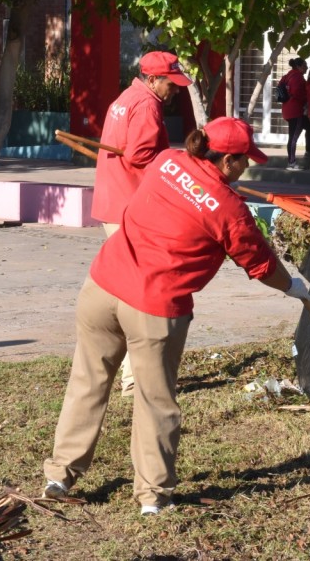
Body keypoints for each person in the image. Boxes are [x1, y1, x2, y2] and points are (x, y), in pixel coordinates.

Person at [43, 117, 310, 514]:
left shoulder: (167, 162)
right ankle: (152, 497)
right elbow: (258, 263)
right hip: (153, 307)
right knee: (155, 401)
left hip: (101, 287)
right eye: (243, 161)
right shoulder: (229, 208)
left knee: (87, 381)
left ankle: (60, 474)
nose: (246, 168)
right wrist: (292, 287)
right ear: (225, 161)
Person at [90, 50, 192, 395]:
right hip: (129, 207)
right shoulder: (147, 104)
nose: (175, 90)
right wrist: (177, 165)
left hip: (113, 202)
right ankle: (135, 379)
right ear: (152, 79)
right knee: (140, 292)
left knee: (127, 287)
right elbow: (139, 155)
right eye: (171, 83)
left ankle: (128, 372)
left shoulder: (126, 96)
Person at [279, 57, 310, 170]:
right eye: (305, 65)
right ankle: (291, 163)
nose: (307, 67)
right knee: (293, 138)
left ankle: (308, 153)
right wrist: (307, 100)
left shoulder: (287, 76)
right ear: (299, 66)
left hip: (287, 109)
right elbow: (298, 93)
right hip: (296, 111)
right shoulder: (297, 77)